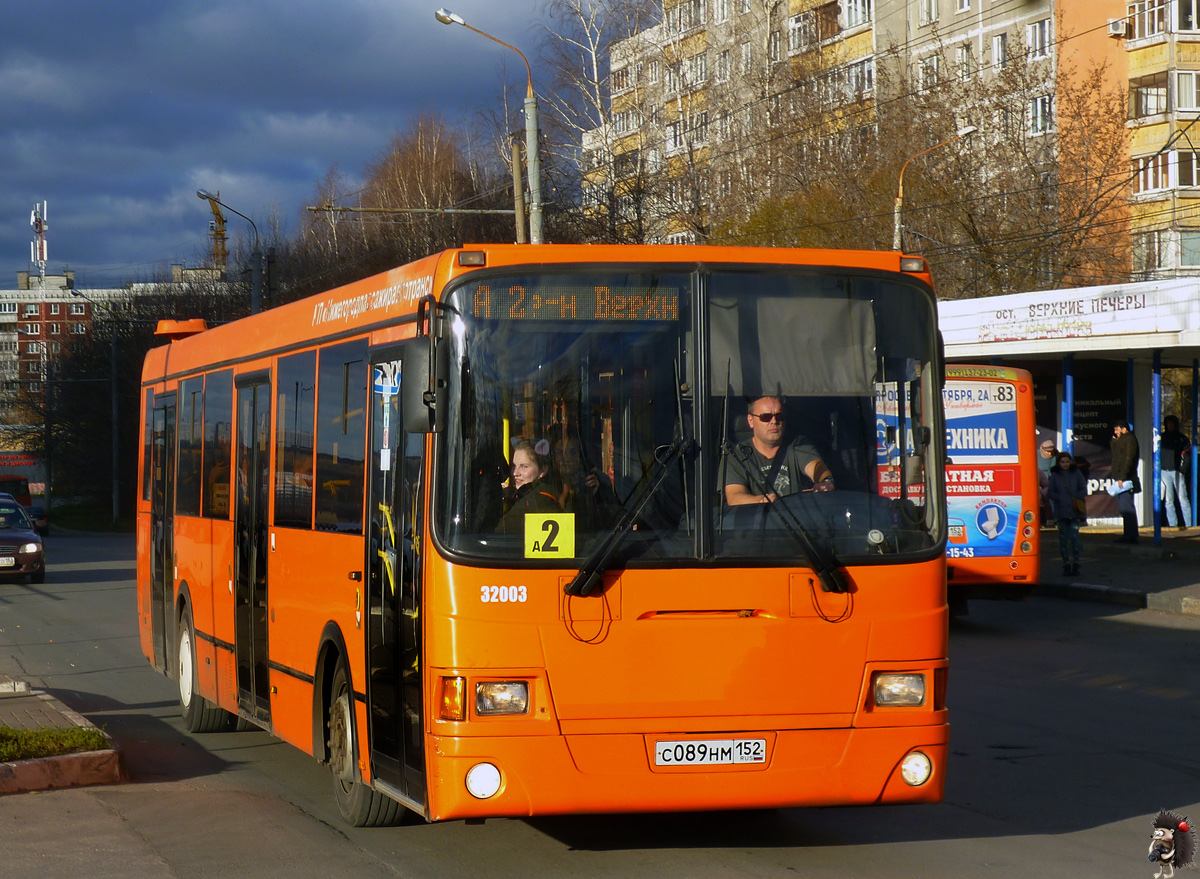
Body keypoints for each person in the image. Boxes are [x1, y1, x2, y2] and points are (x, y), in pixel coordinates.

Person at [724, 395, 835, 506]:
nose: (774, 421)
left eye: (779, 416)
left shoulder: (797, 445)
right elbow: (734, 497)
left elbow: (816, 466)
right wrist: (764, 501)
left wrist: (825, 482)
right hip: (755, 521)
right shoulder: (737, 454)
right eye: (766, 417)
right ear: (751, 420)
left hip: (796, 520)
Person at [498, 440, 561, 532]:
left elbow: (498, 532)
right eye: (514, 466)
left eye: (524, 467)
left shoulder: (536, 500)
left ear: (543, 470)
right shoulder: (542, 493)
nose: (515, 473)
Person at [1047, 450, 1087, 576]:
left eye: (1067, 462)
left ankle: (1076, 563)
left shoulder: (1076, 472)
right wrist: (1060, 498)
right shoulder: (1055, 475)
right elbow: (1050, 492)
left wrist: (1075, 496)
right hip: (1061, 512)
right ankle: (1066, 564)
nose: (1065, 464)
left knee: (1075, 539)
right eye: (1063, 462)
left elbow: (1083, 488)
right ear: (1059, 463)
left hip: (1074, 511)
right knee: (1063, 540)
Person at [1109, 420, 1141, 544]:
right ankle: (1128, 534)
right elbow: (1117, 454)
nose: (1115, 431)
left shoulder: (1129, 439)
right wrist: (1114, 441)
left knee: (1126, 507)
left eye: (1117, 429)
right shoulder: (1122, 440)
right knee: (1124, 507)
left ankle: (1131, 535)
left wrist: (1122, 477)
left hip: (1126, 479)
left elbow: (1128, 459)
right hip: (1121, 478)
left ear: (1124, 429)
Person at [1160, 415, 1191, 530]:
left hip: (1177, 472)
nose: (1170, 426)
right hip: (1164, 471)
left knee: (1183, 499)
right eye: (1168, 423)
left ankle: (1189, 525)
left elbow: (1186, 456)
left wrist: (1182, 470)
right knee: (1168, 500)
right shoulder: (1161, 438)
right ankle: (1173, 525)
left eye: (1172, 423)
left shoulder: (1182, 438)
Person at [1037, 439, 1056, 524]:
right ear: (1042, 449)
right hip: (1039, 482)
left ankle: (1056, 518)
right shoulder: (1035, 454)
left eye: (1051, 452)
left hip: (1052, 482)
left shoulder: (1056, 456)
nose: (1049, 454)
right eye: (1047, 451)